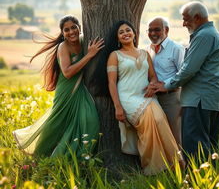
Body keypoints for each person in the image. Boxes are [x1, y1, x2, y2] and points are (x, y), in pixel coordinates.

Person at [96, 20, 184, 175]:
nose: (125, 34)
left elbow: (153, 78)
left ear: (134, 33)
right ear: (117, 38)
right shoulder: (114, 55)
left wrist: (152, 85)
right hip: (128, 99)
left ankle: (176, 161)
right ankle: (153, 168)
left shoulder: (144, 53)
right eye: (121, 32)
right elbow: (111, 82)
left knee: (159, 120)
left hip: (147, 97)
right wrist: (117, 106)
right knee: (148, 125)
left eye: (128, 30)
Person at [13, 15, 104, 158]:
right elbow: (67, 72)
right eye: (66, 30)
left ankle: (78, 156)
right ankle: (40, 154)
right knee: (56, 122)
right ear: (62, 33)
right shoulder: (63, 47)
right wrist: (89, 55)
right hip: (66, 89)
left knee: (89, 120)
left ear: (79, 27)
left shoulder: (84, 40)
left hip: (81, 89)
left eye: (74, 27)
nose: (71, 31)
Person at [151, 1, 219, 161]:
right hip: (215, 98)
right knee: (213, 148)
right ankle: (213, 182)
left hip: (198, 100)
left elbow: (188, 69)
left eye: (186, 19)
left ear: (196, 17)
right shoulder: (218, 35)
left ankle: (196, 183)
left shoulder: (203, 36)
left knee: (195, 149)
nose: (183, 23)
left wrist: (166, 85)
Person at [147, 16, 184, 147]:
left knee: (175, 136)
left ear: (166, 30)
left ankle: (181, 166)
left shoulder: (176, 48)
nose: (152, 33)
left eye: (157, 30)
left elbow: (183, 75)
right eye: (150, 30)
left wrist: (165, 85)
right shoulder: (148, 49)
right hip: (153, 100)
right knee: (160, 137)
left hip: (171, 98)